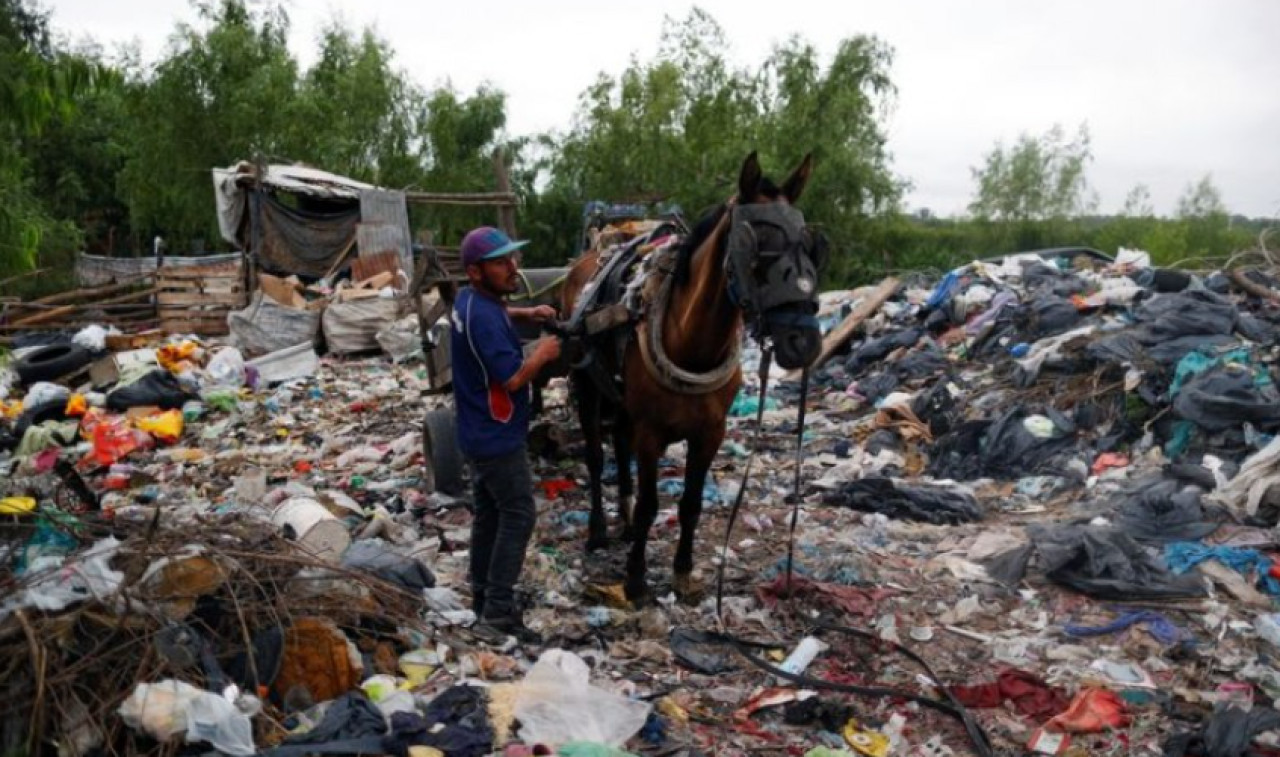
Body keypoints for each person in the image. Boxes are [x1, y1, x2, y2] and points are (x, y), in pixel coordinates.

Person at [451, 226, 561, 643]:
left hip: (476, 430)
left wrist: (526, 314)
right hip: (497, 435)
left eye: (512, 258)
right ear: (477, 271)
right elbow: (514, 379)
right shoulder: (484, 317)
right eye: (501, 262)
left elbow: (493, 315)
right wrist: (542, 353)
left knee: (491, 515)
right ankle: (497, 613)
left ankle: (482, 600)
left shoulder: (470, 301)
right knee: (519, 514)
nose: (512, 267)